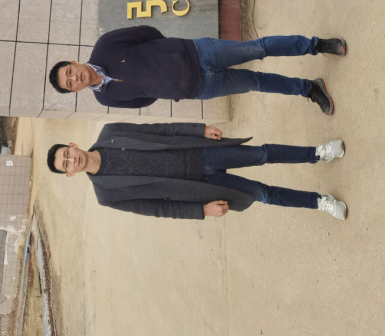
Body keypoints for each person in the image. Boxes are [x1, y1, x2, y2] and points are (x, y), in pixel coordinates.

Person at [46, 122, 347, 220]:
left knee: (262, 154)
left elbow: (159, 131)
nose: (72, 160)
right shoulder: (106, 194)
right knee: (262, 194)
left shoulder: (110, 132)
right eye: (65, 165)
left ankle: (317, 154)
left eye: (67, 154)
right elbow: (157, 209)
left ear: (73, 145)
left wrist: (197, 130)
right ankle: (319, 202)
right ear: (70, 174)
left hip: (200, 151)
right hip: (201, 185)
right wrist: (201, 210)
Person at [49, 28, 347, 114]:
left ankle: (316, 45)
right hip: (198, 89)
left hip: (198, 53)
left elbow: (148, 32)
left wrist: (171, 54)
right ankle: (309, 88)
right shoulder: (104, 98)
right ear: (74, 91)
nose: (74, 78)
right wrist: (169, 85)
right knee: (255, 82)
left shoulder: (105, 46)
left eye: (69, 72)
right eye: (69, 83)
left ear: (73, 62)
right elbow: (143, 100)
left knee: (257, 49)